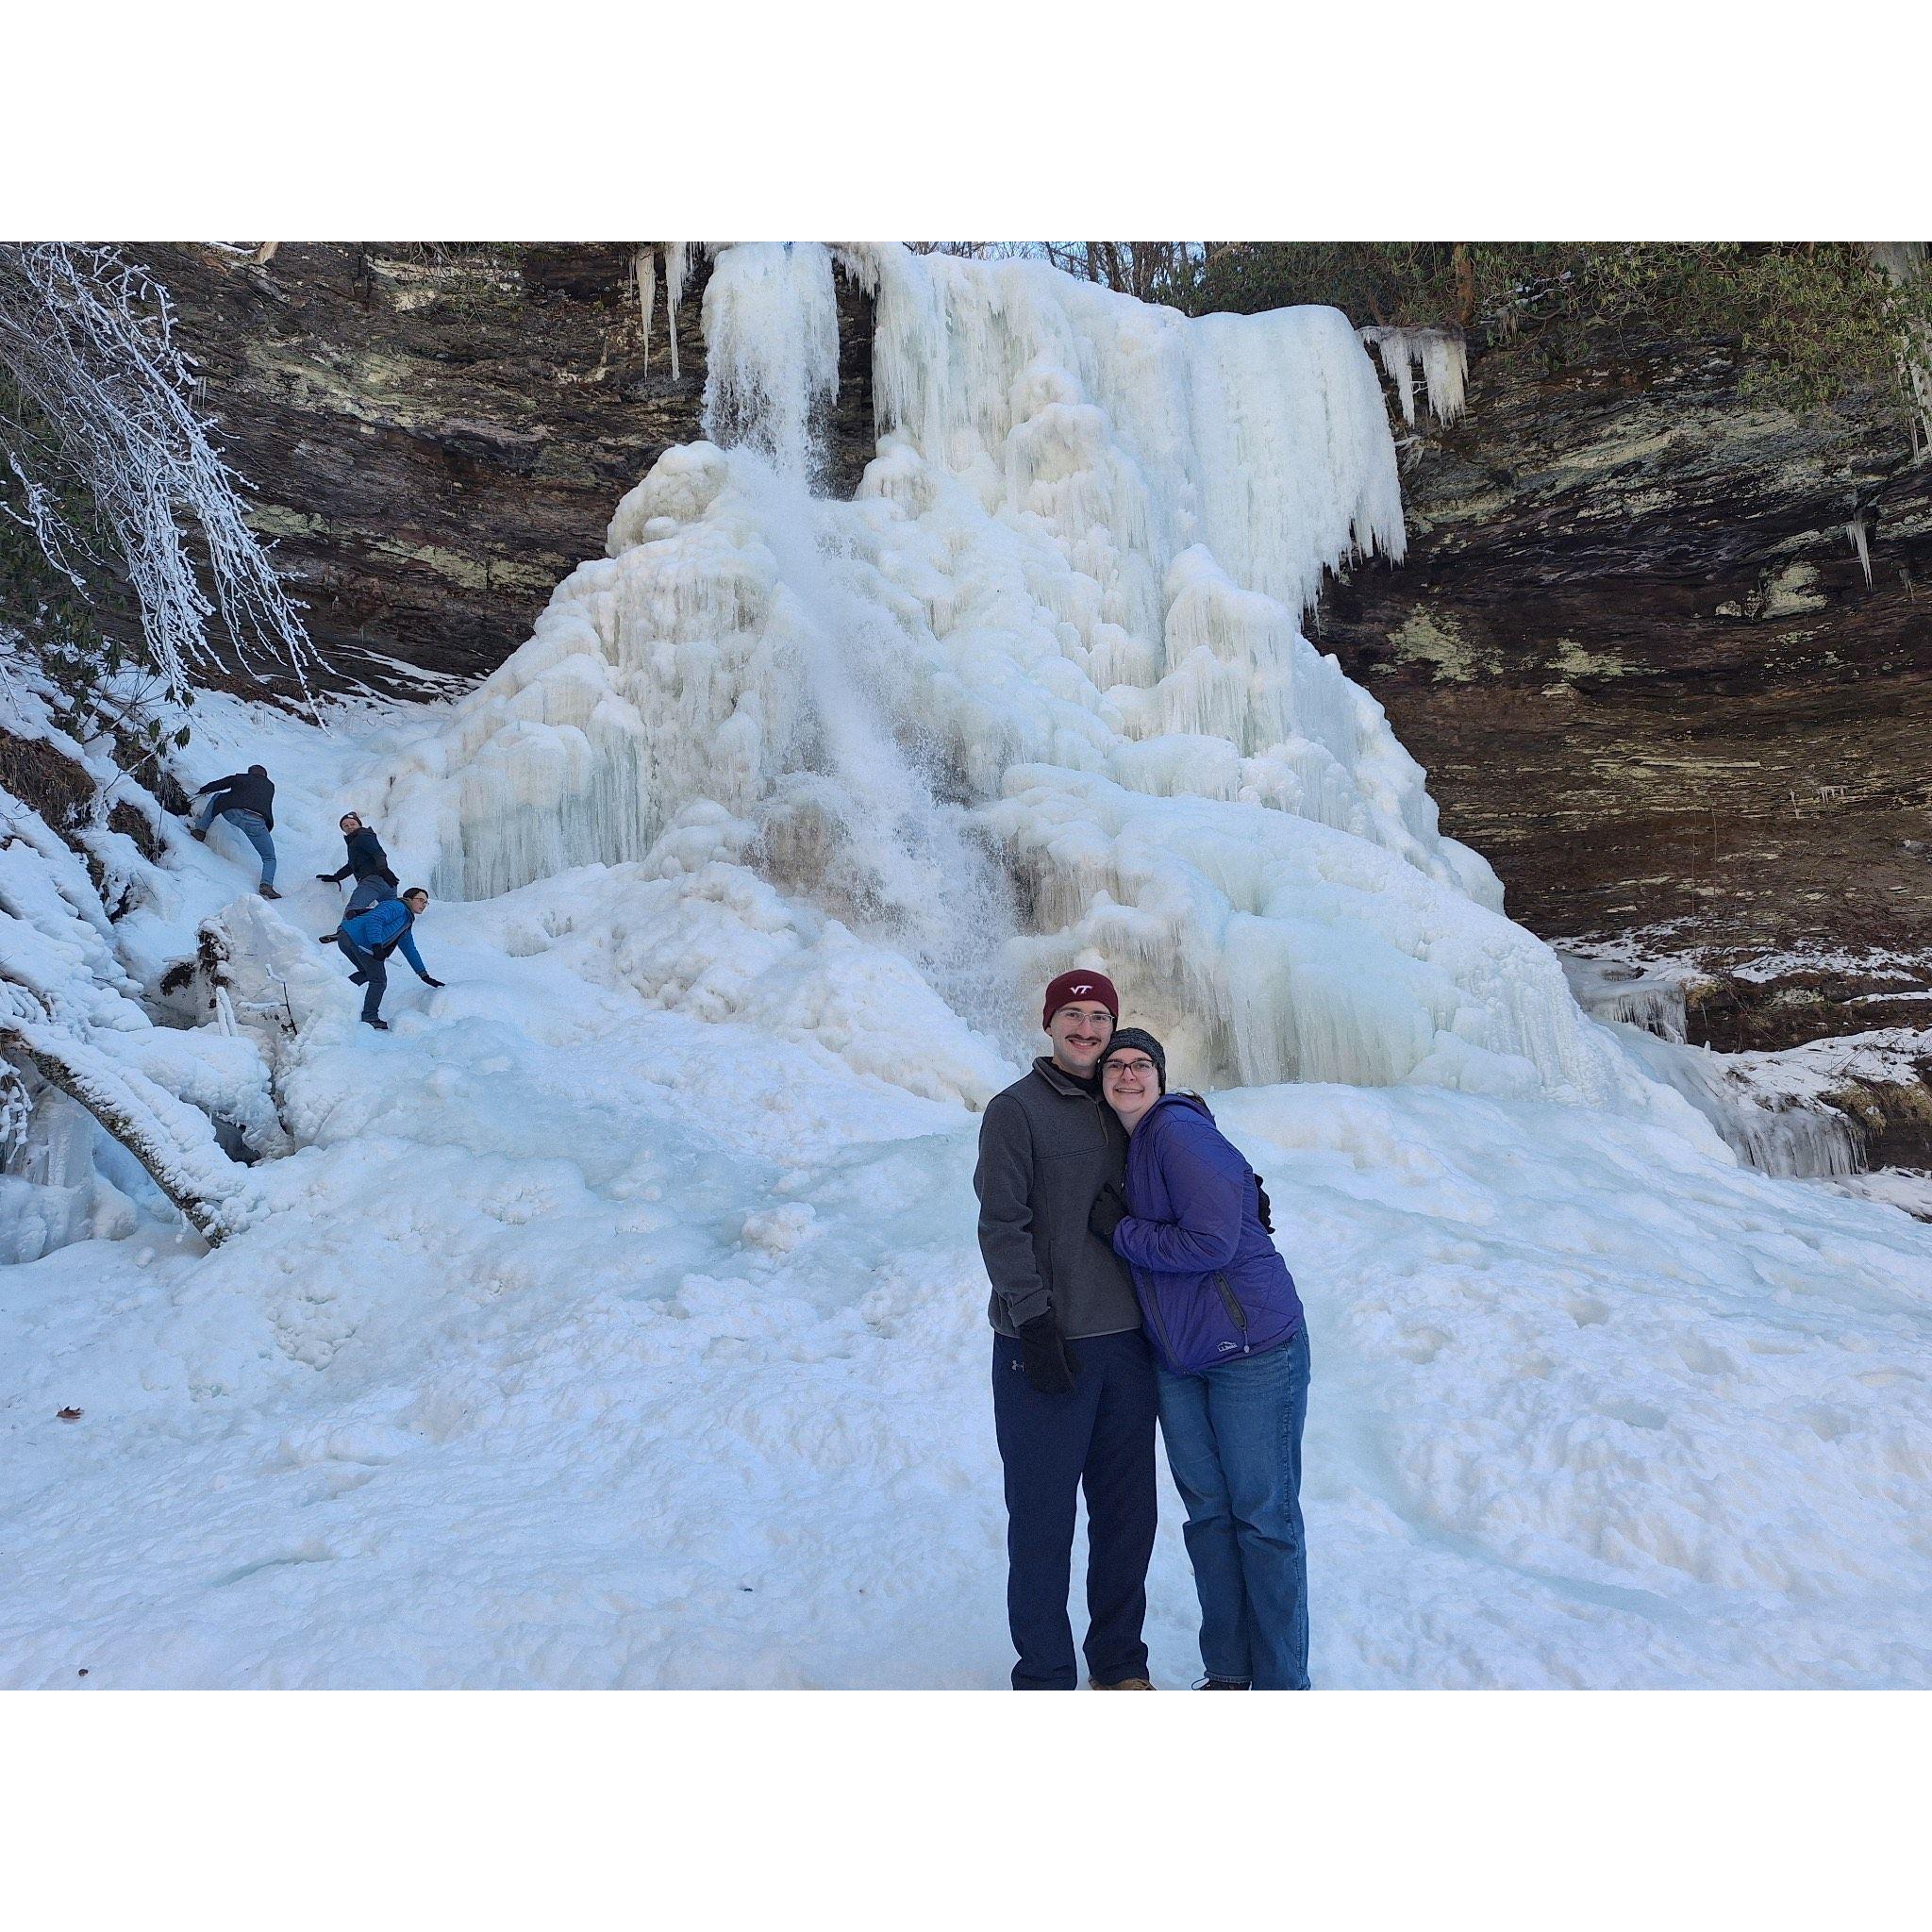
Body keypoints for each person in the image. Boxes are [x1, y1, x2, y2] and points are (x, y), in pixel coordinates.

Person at [1089, 1027, 1311, 1691]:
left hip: (1252, 1349)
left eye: (1140, 1064)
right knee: (1210, 1517)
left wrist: (1120, 1230)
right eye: (1115, 1065)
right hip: (1182, 1356)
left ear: (1160, 1075)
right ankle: (1229, 1673)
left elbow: (1210, 1244)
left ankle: (1280, 1686)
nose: (1128, 1074)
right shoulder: (1132, 1145)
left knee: (1263, 1520)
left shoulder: (1176, 1131)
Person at [974, 971, 1158, 1691]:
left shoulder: (1127, 1098)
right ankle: (1046, 1676)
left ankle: (1119, 1666)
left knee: (1125, 1520)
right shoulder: (1014, 1112)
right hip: (1043, 1347)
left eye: (1100, 1017)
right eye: (1073, 1015)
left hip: (1127, 1344)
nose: (1087, 1029)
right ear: (1049, 1023)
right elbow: (1001, 1223)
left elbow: (1178, 1169)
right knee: (1043, 1522)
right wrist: (1034, 1319)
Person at [334, 886, 442, 1031]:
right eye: (421, 900)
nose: (423, 904)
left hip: (349, 938)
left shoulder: (406, 920)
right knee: (379, 980)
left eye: (426, 902)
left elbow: (409, 948)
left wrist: (424, 975)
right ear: (408, 899)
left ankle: (334, 994)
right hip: (357, 940)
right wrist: (376, 944)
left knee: (368, 973)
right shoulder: (396, 906)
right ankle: (370, 1017)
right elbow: (375, 919)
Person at [190, 764, 279, 899]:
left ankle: (200, 830)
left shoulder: (241, 778)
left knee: (218, 797)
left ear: (249, 773)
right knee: (269, 857)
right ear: (265, 776)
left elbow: (220, 784)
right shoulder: (270, 787)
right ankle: (266, 885)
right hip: (256, 823)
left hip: (233, 812)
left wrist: (202, 791)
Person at [316, 812, 398, 891]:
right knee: (388, 905)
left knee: (355, 906)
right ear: (343, 829)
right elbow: (352, 865)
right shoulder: (354, 841)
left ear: (359, 825)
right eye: (345, 826)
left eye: (352, 824)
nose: (349, 827)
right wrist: (337, 877)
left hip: (373, 880)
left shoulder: (363, 836)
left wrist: (384, 870)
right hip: (385, 882)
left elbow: (378, 852)